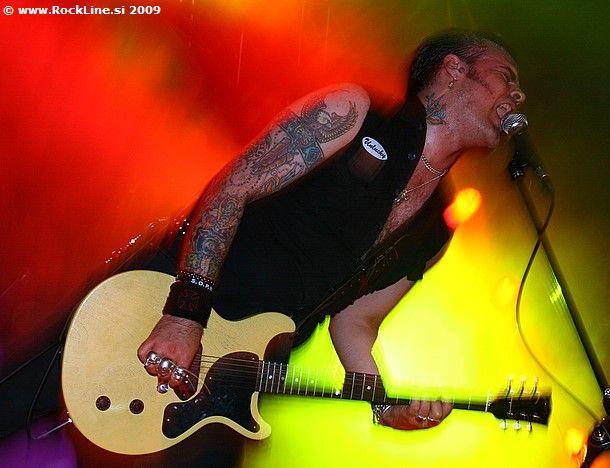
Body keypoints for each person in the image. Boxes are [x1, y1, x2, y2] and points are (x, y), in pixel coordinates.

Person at [137, 29, 526, 431]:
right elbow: (231, 191)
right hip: (162, 310)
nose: (518, 95)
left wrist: (382, 404)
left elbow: (355, 322)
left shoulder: (437, 225)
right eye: (506, 77)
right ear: (453, 69)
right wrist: (184, 316)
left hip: (233, 379)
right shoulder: (352, 113)